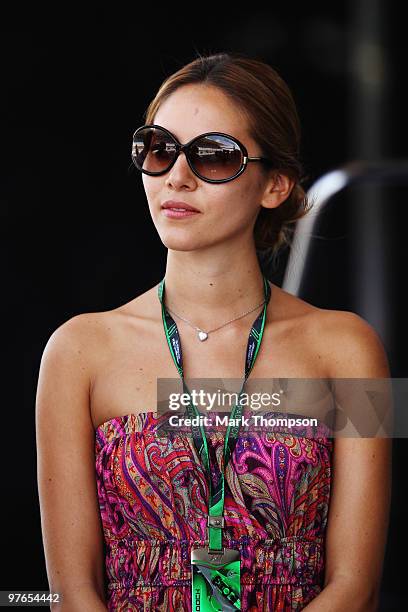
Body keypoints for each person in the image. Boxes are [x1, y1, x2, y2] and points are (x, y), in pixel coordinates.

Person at [36, 51, 392, 611]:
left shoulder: (351, 349)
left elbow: (358, 586)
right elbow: (68, 592)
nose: (177, 175)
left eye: (215, 156)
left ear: (275, 184)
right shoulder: (76, 351)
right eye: (159, 149)